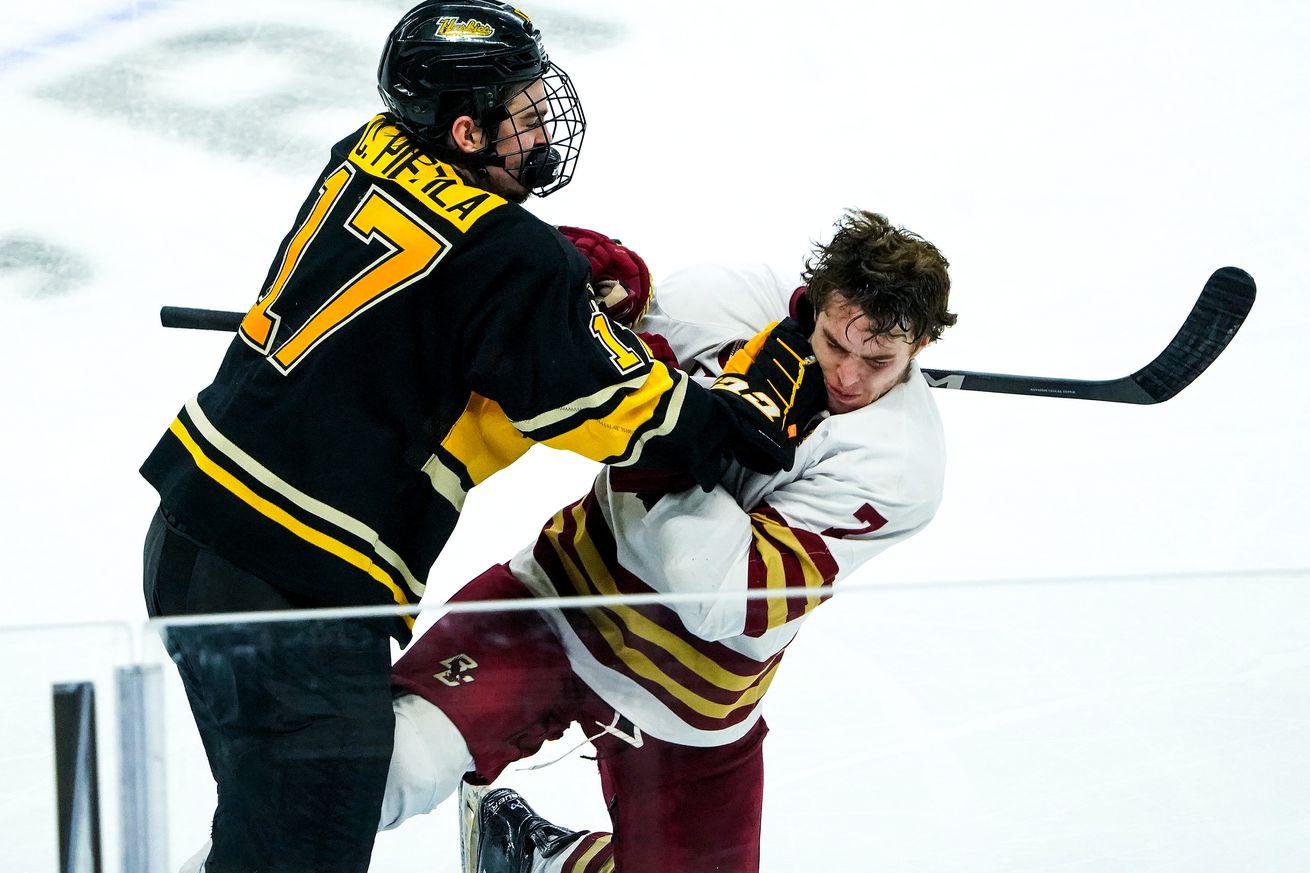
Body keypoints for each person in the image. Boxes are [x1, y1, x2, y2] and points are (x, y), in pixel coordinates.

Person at [140, 3, 820, 872]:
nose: (541, 120)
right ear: (465, 130)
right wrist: (730, 417)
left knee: (265, 842)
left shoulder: (370, 148)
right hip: (295, 594)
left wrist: (559, 307)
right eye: (522, 107)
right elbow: (623, 414)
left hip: (189, 544)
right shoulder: (511, 257)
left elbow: (456, 292)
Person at [379, 209, 957, 873]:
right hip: (556, 602)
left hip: (688, 701)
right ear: (817, 301)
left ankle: (539, 856)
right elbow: (594, 333)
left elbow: (715, 594)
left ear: (923, 347)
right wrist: (575, 283)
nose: (848, 376)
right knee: (382, 773)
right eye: (835, 343)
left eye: (879, 360)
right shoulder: (731, 301)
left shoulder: (899, 466)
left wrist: (667, 433)